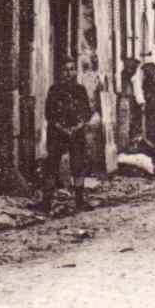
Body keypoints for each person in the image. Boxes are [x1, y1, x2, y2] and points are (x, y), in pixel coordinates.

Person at [41, 59, 92, 214]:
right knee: (51, 165)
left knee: (78, 165)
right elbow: (49, 113)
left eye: (71, 69)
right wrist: (61, 128)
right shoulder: (53, 90)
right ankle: (46, 202)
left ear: (75, 72)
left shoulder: (80, 90)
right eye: (65, 69)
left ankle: (79, 201)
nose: (68, 73)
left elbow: (86, 112)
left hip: (76, 133)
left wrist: (78, 126)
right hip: (57, 133)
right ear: (60, 72)